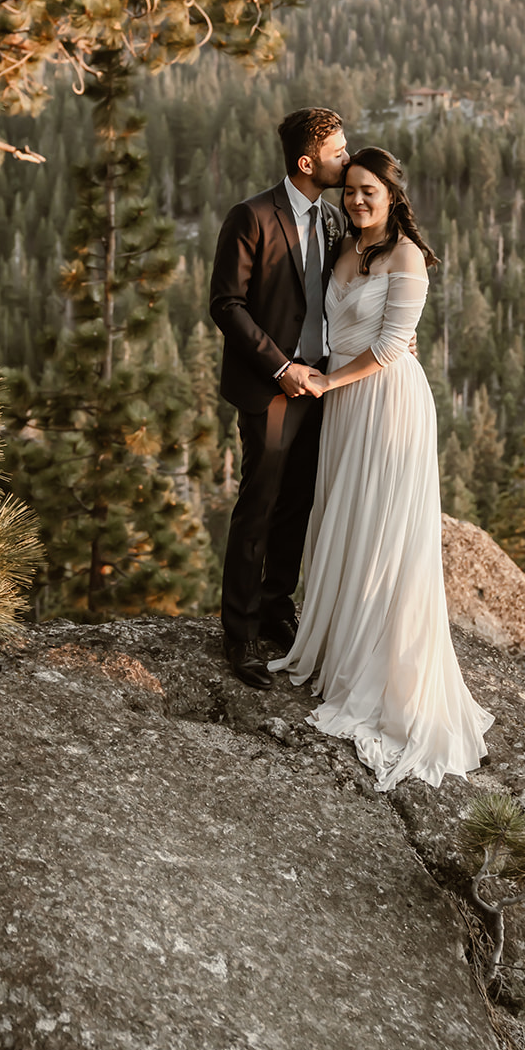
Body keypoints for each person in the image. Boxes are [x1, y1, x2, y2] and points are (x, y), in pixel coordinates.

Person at [269, 147, 493, 790]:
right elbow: (333, 324)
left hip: (386, 405)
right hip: (344, 408)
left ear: (393, 196)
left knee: (381, 528)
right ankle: (342, 647)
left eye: (371, 191)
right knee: (346, 517)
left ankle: (382, 667)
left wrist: (326, 383)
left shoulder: (406, 257)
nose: (358, 200)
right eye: (351, 191)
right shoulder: (345, 249)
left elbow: (394, 347)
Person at [209, 108, 349, 688]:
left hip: (323, 382)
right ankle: (239, 634)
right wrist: (281, 366)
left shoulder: (337, 220)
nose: (347, 157)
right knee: (259, 505)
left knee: (298, 503)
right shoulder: (251, 216)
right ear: (306, 161)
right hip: (270, 387)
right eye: (339, 151)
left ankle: (274, 608)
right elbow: (226, 304)